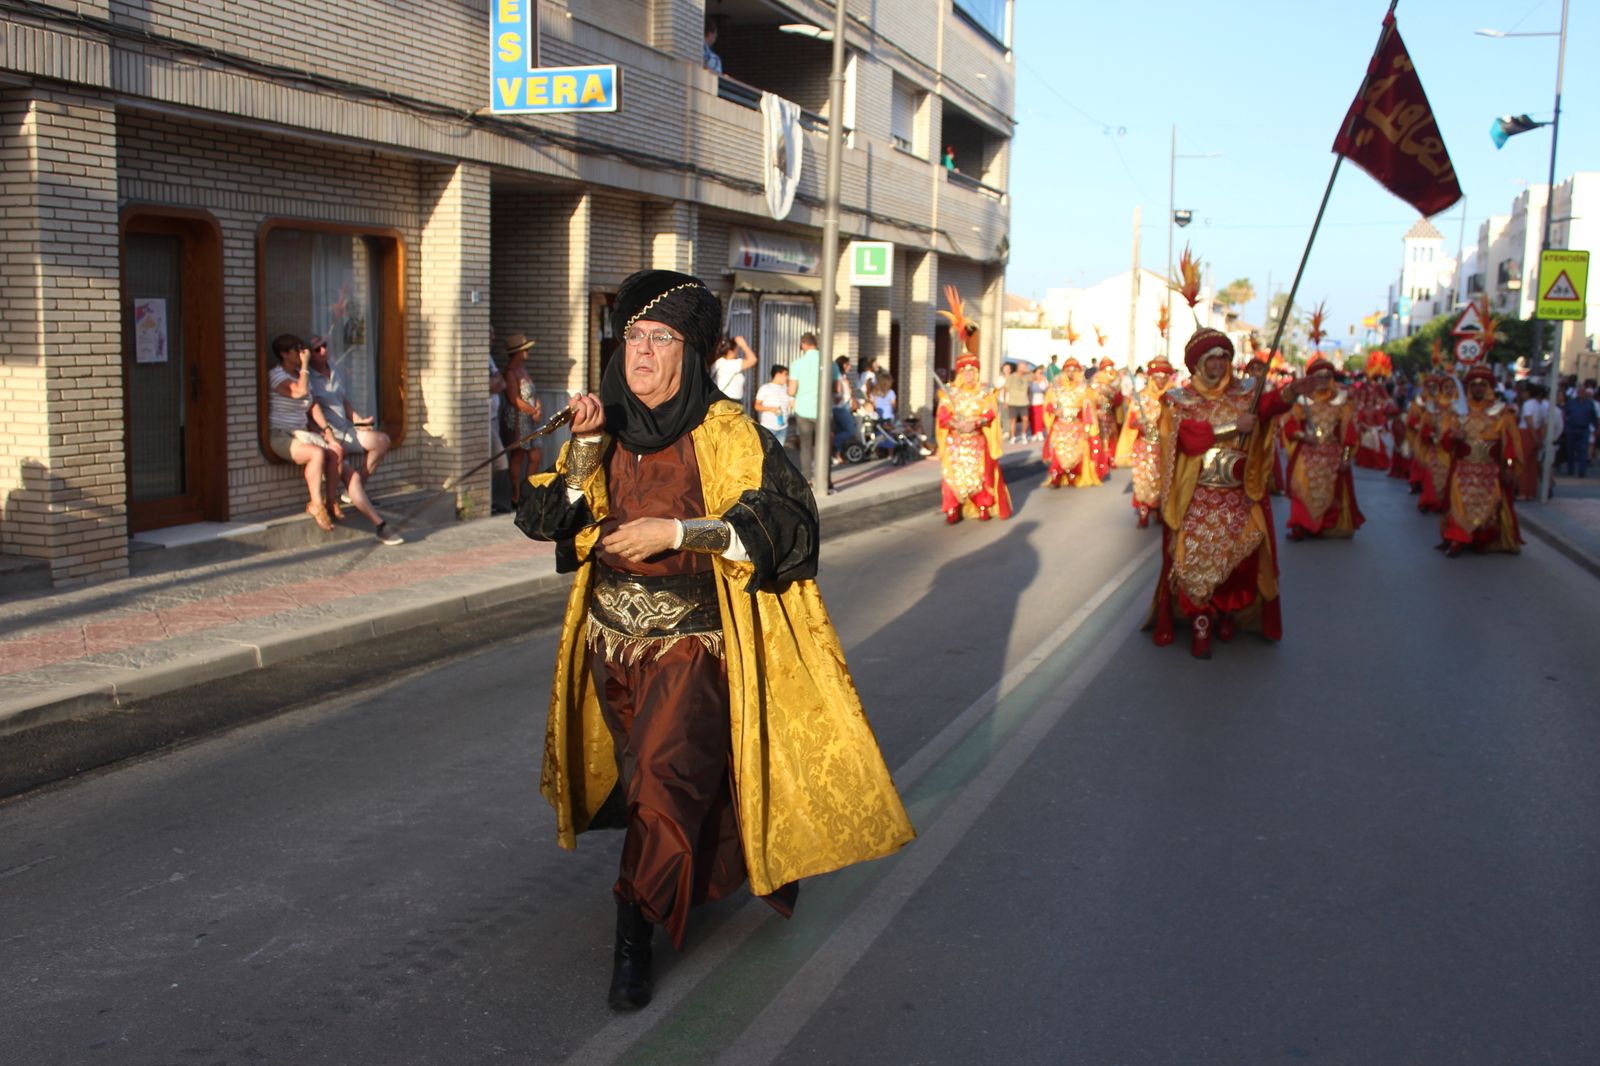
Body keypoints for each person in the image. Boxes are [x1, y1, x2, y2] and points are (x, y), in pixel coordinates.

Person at [512, 269, 913, 1010]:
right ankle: (713, 857)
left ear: (691, 354)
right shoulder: (608, 427)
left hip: (694, 651)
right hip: (611, 648)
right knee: (649, 788)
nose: (639, 352)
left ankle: (632, 928)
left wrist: (677, 530)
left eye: (659, 338)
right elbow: (551, 521)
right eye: (631, 335)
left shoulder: (728, 433)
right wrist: (582, 448)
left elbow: (788, 523)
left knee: (664, 785)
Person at [1146, 328, 1311, 659]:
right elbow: (1189, 439)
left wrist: (1292, 390)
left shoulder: (1246, 393)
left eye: (1224, 357)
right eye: (1212, 358)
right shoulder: (1180, 401)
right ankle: (1200, 624)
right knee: (1192, 562)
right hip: (1197, 497)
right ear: (1198, 363)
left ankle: (1226, 615)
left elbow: (1269, 405)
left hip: (1237, 496)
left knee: (1239, 562)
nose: (1219, 364)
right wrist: (1235, 427)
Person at [305, 337, 404, 546]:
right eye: (316, 349)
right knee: (353, 480)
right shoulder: (308, 379)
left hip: (346, 430)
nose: (323, 350)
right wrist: (326, 436)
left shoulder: (334, 369)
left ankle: (351, 492)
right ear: (308, 354)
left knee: (382, 440)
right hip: (329, 437)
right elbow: (309, 412)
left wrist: (358, 420)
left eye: (325, 345)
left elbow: (343, 400)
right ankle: (380, 525)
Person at [1437, 364, 1523, 556]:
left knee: (1489, 508)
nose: (1478, 388)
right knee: (1459, 505)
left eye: (1482, 385)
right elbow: (1444, 442)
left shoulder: (1501, 413)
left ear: (1489, 388)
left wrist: (1509, 467)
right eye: (1474, 385)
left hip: (1489, 472)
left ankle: (1480, 540)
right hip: (1463, 470)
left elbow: (1509, 445)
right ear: (1468, 388)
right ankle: (1457, 540)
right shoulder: (1458, 412)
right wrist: (1453, 437)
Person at [1280, 356, 1364, 541]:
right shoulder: (1302, 402)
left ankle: (1326, 525)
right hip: (1307, 453)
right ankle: (1302, 525)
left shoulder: (1341, 402)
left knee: (1333, 490)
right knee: (1301, 486)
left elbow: (1349, 432)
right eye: (1319, 376)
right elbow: (1290, 426)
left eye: (1327, 376)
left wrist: (1346, 457)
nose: (1323, 380)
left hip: (1331, 454)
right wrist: (1304, 436)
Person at [266, 334, 336, 532]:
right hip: (280, 434)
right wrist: (305, 365)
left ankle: (331, 501)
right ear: (284, 354)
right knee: (316, 454)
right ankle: (316, 504)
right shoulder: (276, 375)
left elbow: (312, 404)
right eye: (297, 351)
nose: (302, 354)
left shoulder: (300, 374)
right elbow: (299, 392)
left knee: (335, 452)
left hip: (301, 431)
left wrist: (327, 430)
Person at [936, 350, 1011, 522]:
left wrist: (975, 422)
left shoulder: (984, 392)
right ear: (960, 373)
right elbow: (943, 415)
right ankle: (952, 508)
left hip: (976, 441)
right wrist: (955, 424)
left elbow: (990, 412)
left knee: (979, 475)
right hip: (955, 442)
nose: (968, 374)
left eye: (972, 371)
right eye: (965, 371)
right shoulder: (950, 393)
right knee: (951, 476)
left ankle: (983, 505)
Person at [1122, 356, 1174, 527]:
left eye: (1164, 377)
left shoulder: (1174, 397)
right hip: (1145, 445)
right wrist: (1140, 423)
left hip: (1166, 446)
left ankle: (1159, 509)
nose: (1160, 381)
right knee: (1144, 479)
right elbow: (1131, 422)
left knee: (1163, 479)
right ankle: (1144, 512)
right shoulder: (1141, 397)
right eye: (1157, 377)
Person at [785, 332, 834, 492]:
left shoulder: (797, 364)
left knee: (806, 446)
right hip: (824, 410)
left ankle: (807, 479)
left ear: (803, 344)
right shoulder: (830, 363)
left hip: (804, 409)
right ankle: (826, 480)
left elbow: (792, 391)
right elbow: (837, 388)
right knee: (824, 445)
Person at [1041, 357, 1100, 489]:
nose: (1070, 373)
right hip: (1060, 426)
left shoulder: (1084, 389)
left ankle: (1073, 473)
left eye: (1074, 370)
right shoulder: (1056, 388)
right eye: (1068, 370)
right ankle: (1057, 474)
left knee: (1077, 452)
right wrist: (1054, 410)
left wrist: (1087, 427)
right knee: (1058, 451)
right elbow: (1048, 405)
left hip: (1076, 425)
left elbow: (1088, 409)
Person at [502, 332, 543, 507]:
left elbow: (532, 392)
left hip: (531, 418)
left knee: (535, 455)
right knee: (518, 456)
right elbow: (514, 399)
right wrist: (532, 410)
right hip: (518, 419)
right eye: (525, 350)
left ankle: (529, 491)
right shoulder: (510, 372)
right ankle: (516, 496)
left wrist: (538, 406)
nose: (527, 352)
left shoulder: (523, 370)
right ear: (517, 352)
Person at [1561, 383, 1597, 478]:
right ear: (1577, 393)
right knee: (1570, 450)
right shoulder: (1571, 402)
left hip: (1584, 429)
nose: (1581, 393)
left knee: (1583, 450)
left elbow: (1593, 417)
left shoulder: (1590, 403)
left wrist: (1596, 427)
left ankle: (1582, 471)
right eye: (1579, 392)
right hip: (1571, 428)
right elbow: (1564, 414)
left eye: (1583, 392)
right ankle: (1570, 469)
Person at [710, 334, 758, 403]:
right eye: (737, 350)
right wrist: (743, 345)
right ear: (730, 352)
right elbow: (753, 360)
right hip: (730, 402)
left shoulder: (718, 362)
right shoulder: (730, 364)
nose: (738, 352)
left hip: (721, 400)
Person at [753, 364, 792, 443]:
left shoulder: (786, 388)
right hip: (768, 427)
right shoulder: (765, 388)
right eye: (785, 374)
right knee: (768, 453)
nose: (787, 377)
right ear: (777, 374)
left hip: (783, 427)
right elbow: (757, 406)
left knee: (780, 453)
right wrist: (771, 409)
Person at [1003, 361, 1031, 443]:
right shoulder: (1012, 377)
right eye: (1022, 367)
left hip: (1024, 402)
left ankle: (1023, 435)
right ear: (1018, 367)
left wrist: (1028, 371)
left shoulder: (1027, 377)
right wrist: (1005, 401)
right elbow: (1006, 389)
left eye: (1025, 367)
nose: (1024, 368)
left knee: (1025, 419)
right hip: (1013, 402)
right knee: (1013, 420)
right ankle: (1013, 437)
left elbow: (1035, 378)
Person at [1027, 367, 1047, 442]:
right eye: (1039, 373)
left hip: (1041, 402)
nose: (1041, 374)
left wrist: (1043, 381)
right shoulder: (1031, 382)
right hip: (1032, 402)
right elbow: (1029, 392)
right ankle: (1034, 433)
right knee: (1033, 419)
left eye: (1042, 373)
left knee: (1040, 418)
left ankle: (1040, 432)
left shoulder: (1044, 381)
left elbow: (1045, 391)